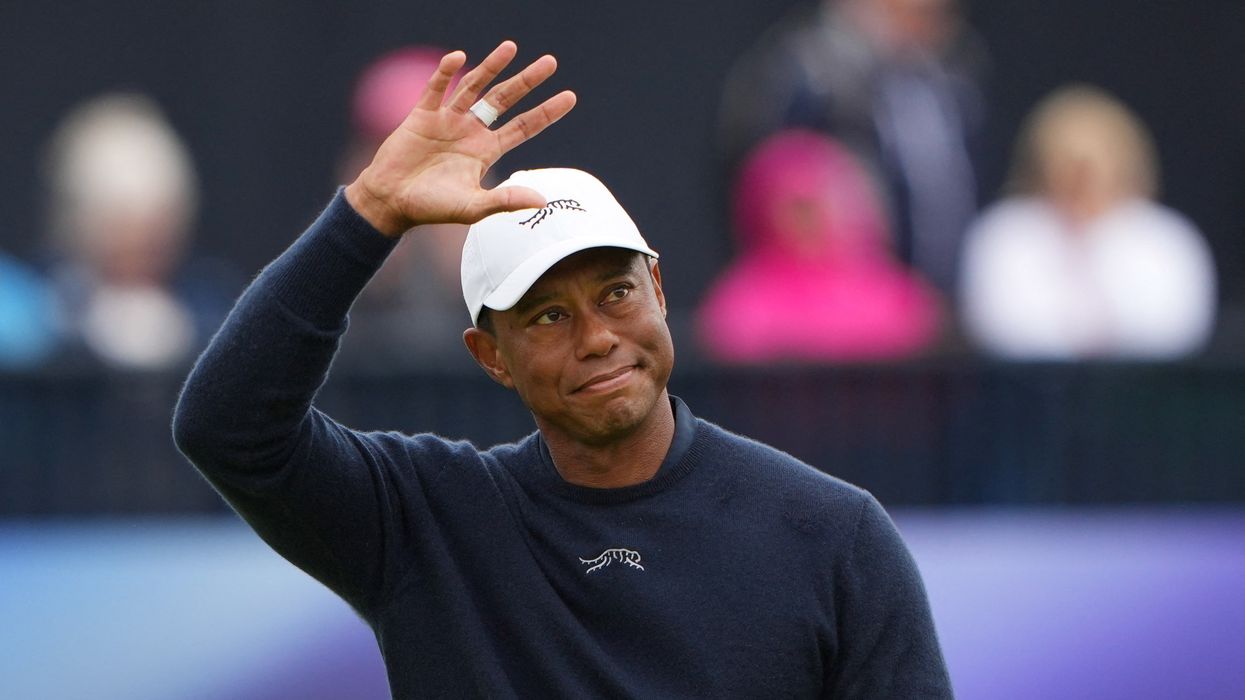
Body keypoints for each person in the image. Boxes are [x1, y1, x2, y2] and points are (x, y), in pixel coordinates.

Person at [173, 41, 951, 698]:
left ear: (658, 291)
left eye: (615, 293)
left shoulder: (833, 535)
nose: (597, 337)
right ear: (491, 356)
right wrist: (370, 210)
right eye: (547, 315)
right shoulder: (426, 522)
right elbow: (226, 425)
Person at [719, 0, 987, 297]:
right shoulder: (811, 71)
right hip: (835, 297)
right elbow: (763, 183)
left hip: (933, 294)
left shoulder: (947, 75)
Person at [959, 85, 1216, 360]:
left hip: (1144, 385)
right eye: (1066, 163)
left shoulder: (1165, 236)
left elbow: (1177, 329)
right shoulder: (1006, 233)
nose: (1081, 180)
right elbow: (1000, 329)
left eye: (1093, 165)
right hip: (1031, 386)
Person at [697, 129, 942, 363]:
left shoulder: (889, 293)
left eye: (829, 200)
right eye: (800, 207)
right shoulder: (746, 300)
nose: (817, 217)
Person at [42, 92, 240, 370]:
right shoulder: (41, 312)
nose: (142, 246)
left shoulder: (216, 311)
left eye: (157, 226)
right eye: (122, 225)